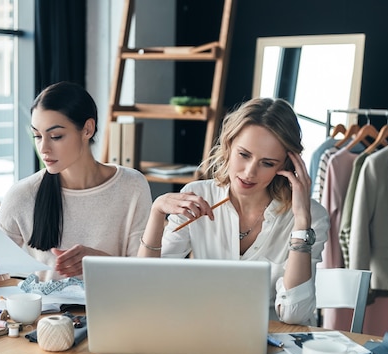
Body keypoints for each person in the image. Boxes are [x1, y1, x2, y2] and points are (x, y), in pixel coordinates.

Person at [0, 81, 152, 354]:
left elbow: (144, 272)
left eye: (56, 135)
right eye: (37, 136)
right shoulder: (23, 194)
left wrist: (95, 260)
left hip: (113, 318)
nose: (44, 148)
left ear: (87, 129)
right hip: (44, 325)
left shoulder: (131, 186)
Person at [138, 97, 329, 325]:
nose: (250, 172)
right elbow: (145, 286)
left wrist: (300, 224)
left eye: (267, 163)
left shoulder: (311, 218)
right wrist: (157, 212)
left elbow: (294, 315)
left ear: (286, 166)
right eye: (244, 155)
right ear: (228, 145)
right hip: (203, 333)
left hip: (272, 343)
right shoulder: (198, 196)